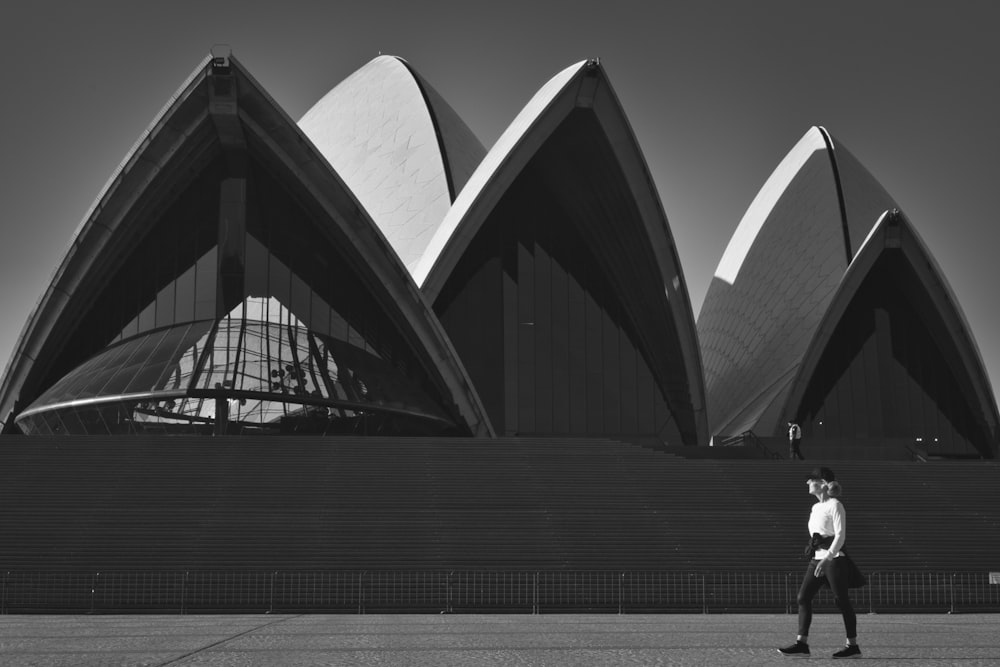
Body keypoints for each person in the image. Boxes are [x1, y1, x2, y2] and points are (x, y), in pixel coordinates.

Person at [778, 466, 861, 659]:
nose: (808, 482)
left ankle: (853, 646)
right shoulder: (815, 507)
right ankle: (802, 644)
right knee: (803, 597)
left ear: (823, 484)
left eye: (812, 480)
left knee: (842, 601)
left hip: (834, 560)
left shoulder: (835, 505)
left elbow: (840, 536)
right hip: (817, 559)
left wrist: (827, 558)